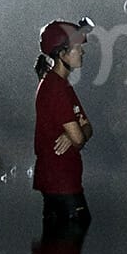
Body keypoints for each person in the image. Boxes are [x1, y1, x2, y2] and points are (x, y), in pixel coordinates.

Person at [33, 17, 95, 229]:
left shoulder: (62, 86)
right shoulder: (55, 89)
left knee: (58, 253)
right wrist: (75, 134)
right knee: (64, 253)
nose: (82, 52)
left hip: (61, 183)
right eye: (77, 48)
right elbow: (80, 136)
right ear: (62, 54)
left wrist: (75, 134)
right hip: (61, 185)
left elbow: (87, 128)